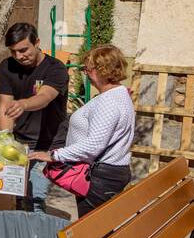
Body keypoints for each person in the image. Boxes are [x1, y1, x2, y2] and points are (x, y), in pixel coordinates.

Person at [29, 44, 135, 217]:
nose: (86, 74)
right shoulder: (118, 95)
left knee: (90, 233)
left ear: (102, 70)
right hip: (106, 175)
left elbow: (94, 144)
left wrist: (54, 155)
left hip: (101, 178)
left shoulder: (109, 102)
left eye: (88, 69)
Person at [0, 23, 69, 213]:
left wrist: (23, 104)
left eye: (23, 50)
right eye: (13, 52)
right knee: (17, 196)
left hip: (47, 143)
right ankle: (21, 237)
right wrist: (4, 139)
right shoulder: (7, 67)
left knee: (36, 197)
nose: (19, 56)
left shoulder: (56, 68)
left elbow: (45, 97)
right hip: (20, 142)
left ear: (37, 43)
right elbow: (5, 105)